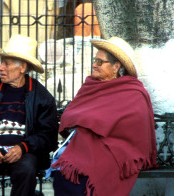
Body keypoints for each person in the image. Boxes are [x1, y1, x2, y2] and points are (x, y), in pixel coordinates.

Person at [51, 37, 158, 196]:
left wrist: (90, 120)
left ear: (116, 67)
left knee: (84, 177)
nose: (94, 64)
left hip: (115, 148)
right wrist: (90, 121)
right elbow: (70, 114)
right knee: (64, 174)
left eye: (100, 62)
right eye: (95, 60)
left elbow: (135, 126)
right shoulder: (90, 86)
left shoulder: (133, 91)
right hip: (84, 144)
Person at [0, 35, 59, 196]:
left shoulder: (42, 96)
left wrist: (24, 147)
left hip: (23, 151)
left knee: (27, 169)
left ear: (22, 67)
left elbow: (47, 134)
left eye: (6, 64)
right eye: (1, 63)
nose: (0, 68)